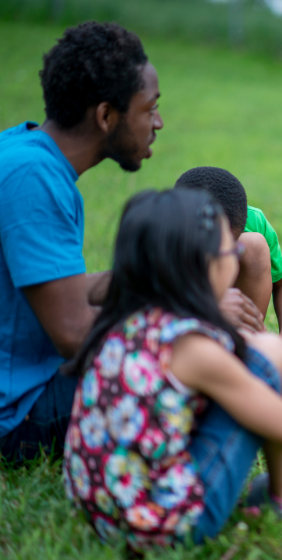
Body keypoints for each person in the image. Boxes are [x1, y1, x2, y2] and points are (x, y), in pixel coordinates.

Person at [63, 189, 282, 551]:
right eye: (232, 252)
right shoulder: (190, 348)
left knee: (267, 353)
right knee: (268, 370)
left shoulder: (128, 320)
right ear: (202, 265)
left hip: (98, 504)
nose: (237, 260)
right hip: (163, 524)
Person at [0, 22, 163, 463]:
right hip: (16, 414)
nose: (158, 123)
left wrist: (141, 279)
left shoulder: (22, 151)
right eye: (149, 109)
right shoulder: (34, 180)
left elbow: (50, 291)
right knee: (197, 363)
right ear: (106, 116)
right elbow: (74, 333)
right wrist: (187, 320)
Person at [175, 166, 282, 344]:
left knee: (254, 245)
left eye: (232, 248)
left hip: (233, 327)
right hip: (177, 331)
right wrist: (210, 309)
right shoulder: (160, 234)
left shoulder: (253, 221)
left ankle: (245, 344)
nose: (222, 257)